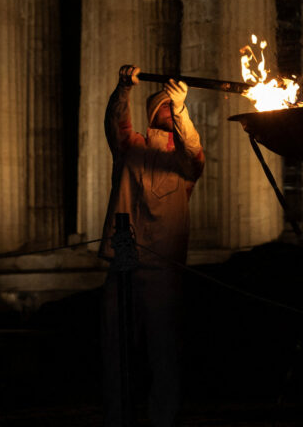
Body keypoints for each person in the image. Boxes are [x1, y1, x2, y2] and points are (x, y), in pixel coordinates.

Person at [99, 64, 204, 427]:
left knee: (163, 349)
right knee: (116, 348)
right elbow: (115, 123)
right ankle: (118, 416)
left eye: (170, 108)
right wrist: (123, 89)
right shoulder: (132, 147)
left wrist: (182, 110)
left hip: (163, 265)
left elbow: (192, 149)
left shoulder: (184, 159)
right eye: (162, 107)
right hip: (124, 259)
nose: (167, 111)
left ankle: (164, 418)